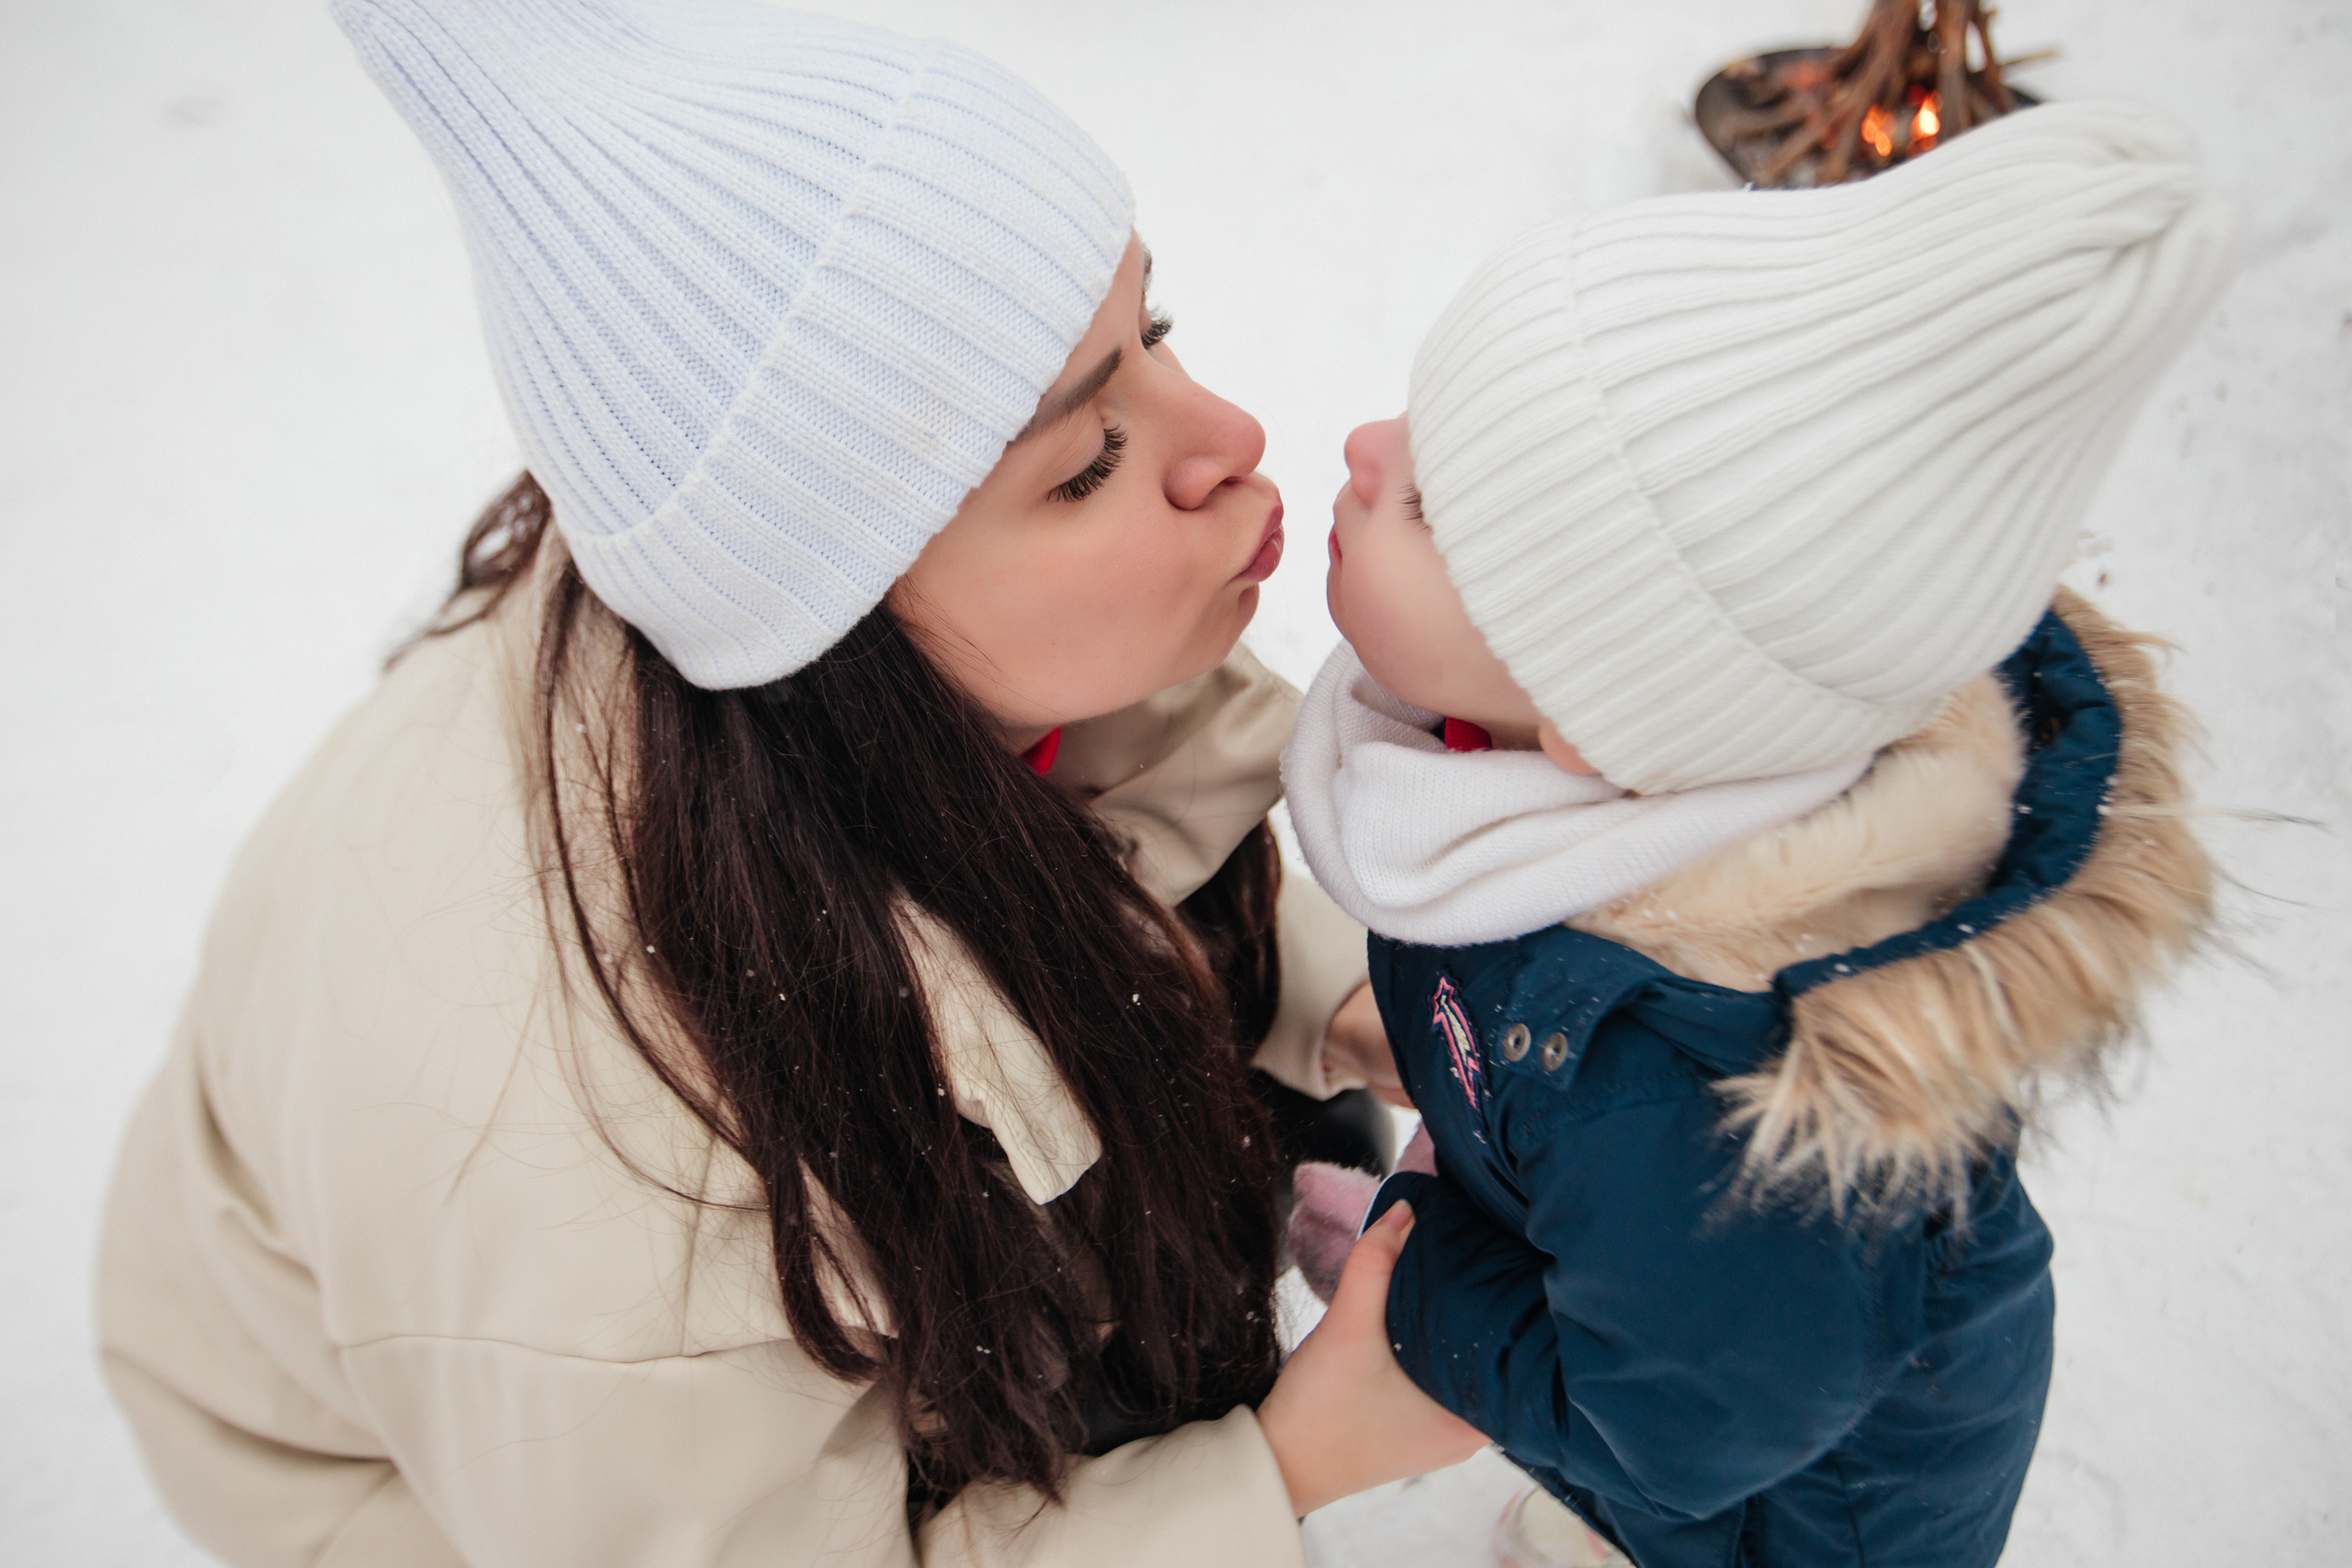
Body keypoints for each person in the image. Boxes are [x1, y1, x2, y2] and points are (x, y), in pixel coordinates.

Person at [94, 4, 1479, 1564]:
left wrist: (1340, 1000)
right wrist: (1287, 1460)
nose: (1230, 435)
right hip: (465, 1493)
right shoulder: (607, 1206)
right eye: (1084, 461)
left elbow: (1095, 837)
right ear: (839, 612)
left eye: (1152, 336)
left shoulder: (795, 641)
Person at [1281, 101, 2234, 1568]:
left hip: (1801, 1513)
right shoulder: (1549, 779)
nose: (1361, 446)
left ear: (1604, 717)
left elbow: (1666, 1435)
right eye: (1419, 425)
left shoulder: (1704, 1103)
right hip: (1664, 1325)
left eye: (1433, 502)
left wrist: (1422, 1288)